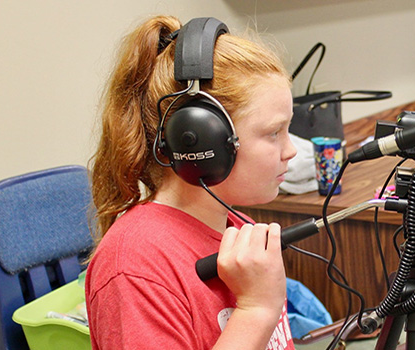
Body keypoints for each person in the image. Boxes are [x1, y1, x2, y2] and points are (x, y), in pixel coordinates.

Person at [85, 15, 297, 350]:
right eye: (273, 133)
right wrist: (256, 311)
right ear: (202, 141)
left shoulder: (239, 229)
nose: (291, 150)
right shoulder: (135, 267)